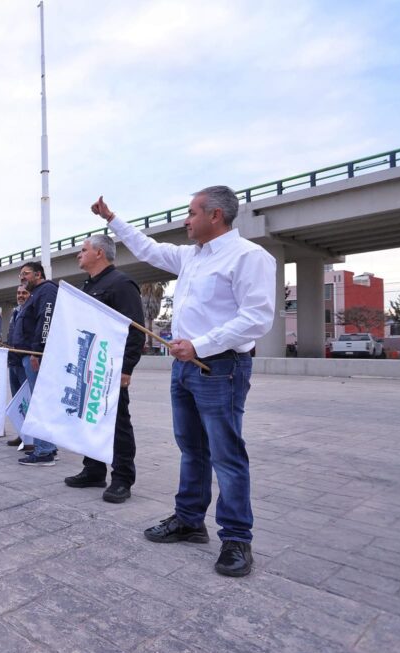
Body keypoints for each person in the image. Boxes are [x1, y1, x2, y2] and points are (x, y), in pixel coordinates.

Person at [91, 187, 275, 577]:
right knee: (192, 449)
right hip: (186, 368)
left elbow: (257, 318)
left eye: (191, 213)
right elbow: (149, 249)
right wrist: (112, 219)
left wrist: (200, 345)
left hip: (221, 367)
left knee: (226, 454)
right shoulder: (191, 257)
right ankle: (190, 520)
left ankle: (237, 539)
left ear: (216, 215)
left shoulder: (249, 257)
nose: (185, 220)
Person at [63, 234, 145, 503]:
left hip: (110, 368)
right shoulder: (88, 286)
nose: (79, 254)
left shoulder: (121, 284)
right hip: (89, 365)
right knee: (90, 417)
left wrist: (127, 368)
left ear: (99, 252)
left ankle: (122, 479)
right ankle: (94, 470)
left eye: (83, 250)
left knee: (118, 423)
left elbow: (136, 332)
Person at [16, 262, 59, 465]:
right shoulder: (36, 294)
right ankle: (48, 446)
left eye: (25, 274)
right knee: (39, 401)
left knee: (40, 403)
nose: (21, 277)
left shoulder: (47, 290)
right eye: (20, 275)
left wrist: (37, 351)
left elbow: (46, 320)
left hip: (37, 356)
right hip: (30, 355)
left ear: (38, 274)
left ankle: (44, 452)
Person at [6, 285, 31, 448]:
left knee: (27, 401)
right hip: (13, 362)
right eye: (18, 293)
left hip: (24, 361)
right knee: (17, 402)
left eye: (24, 293)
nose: (20, 295)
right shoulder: (16, 312)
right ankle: (22, 434)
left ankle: (32, 440)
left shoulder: (30, 311)